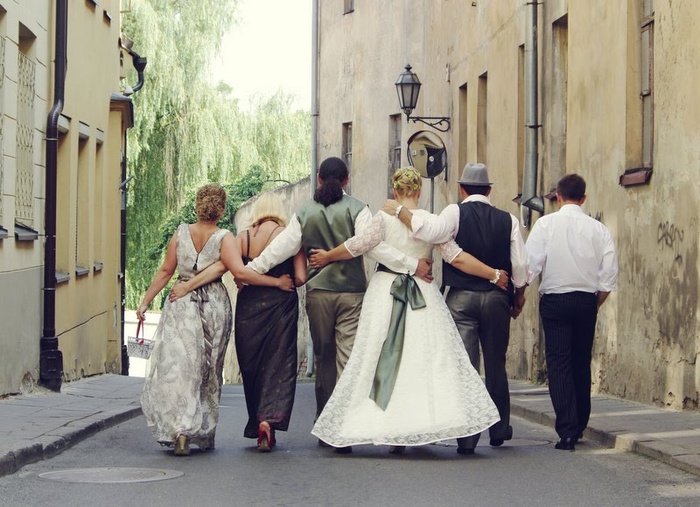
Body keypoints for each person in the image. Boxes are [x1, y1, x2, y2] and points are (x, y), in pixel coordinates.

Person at [245, 157, 433, 454]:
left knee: (323, 359)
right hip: (352, 293)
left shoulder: (304, 211)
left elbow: (280, 249)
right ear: (347, 180)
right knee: (348, 359)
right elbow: (372, 248)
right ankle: (344, 425)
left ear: (319, 178)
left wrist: (250, 271)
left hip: (318, 294)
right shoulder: (358, 209)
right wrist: (411, 264)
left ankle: (325, 422)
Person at [308, 167, 502, 453]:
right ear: (419, 191)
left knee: (373, 357)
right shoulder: (431, 222)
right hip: (423, 294)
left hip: (385, 291)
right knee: (424, 361)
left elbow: (359, 246)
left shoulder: (383, 217)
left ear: (395, 191)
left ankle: (362, 427)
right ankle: (419, 426)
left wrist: (327, 256)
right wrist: (493, 274)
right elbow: (456, 257)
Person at [138, 184, 294, 456]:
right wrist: (277, 282)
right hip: (213, 305)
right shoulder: (225, 238)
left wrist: (145, 301)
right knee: (208, 368)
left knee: (181, 367)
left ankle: (181, 430)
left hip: (181, 304)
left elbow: (165, 270)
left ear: (197, 207)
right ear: (221, 210)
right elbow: (241, 273)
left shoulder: (180, 233)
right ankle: (199, 428)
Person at [384, 162, 528, 455]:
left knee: (466, 366)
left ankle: (468, 438)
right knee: (496, 363)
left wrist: (401, 212)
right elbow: (521, 266)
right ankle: (499, 430)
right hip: (496, 298)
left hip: (461, 298)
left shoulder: (454, 212)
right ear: (489, 190)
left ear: (461, 189)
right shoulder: (509, 220)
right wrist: (518, 296)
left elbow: (431, 232)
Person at [172, 192, 306, 452]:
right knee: (279, 364)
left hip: (249, 308)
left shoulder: (242, 238)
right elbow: (300, 277)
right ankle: (268, 420)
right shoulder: (289, 236)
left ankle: (256, 418)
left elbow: (236, 272)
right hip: (281, 306)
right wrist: (284, 279)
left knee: (251, 366)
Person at [525, 173, 618, 451]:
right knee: (580, 360)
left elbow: (530, 265)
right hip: (586, 300)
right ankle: (579, 425)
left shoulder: (545, 225)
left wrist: (518, 293)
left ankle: (566, 430)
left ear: (558, 197)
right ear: (584, 198)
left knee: (558, 363)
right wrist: (595, 302)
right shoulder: (598, 229)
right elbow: (609, 274)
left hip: (555, 300)